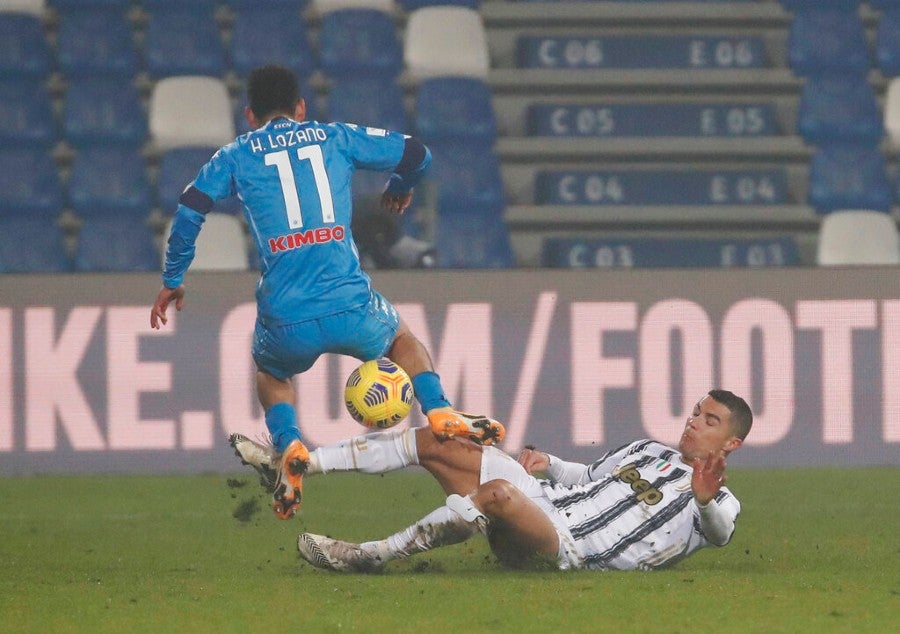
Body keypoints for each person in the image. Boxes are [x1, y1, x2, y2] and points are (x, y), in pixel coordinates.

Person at [149, 65, 505, 521]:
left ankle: (288, 443)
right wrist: (400, 185)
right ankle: (437, 409)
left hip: (285, 313)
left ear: (250, 115)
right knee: (402, 341)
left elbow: (190, 209)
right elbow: (418, 154)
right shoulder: (334, 136)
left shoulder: (234, 154)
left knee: (271, 372)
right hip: (349, 301)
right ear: (301, 108)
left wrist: (174, 277)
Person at [232, 389, 752, 572]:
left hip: (566, 547)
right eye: (695, 412)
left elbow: (722, 531)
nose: (692, 422)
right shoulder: (648, 449)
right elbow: (590, 477)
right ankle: (300, 464)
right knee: (442, 439)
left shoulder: (718, 501)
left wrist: (703, 501)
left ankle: (369, 556)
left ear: (732, 443)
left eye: (709, 421)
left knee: (496, 496)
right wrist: (549, 461)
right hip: (546, 499)